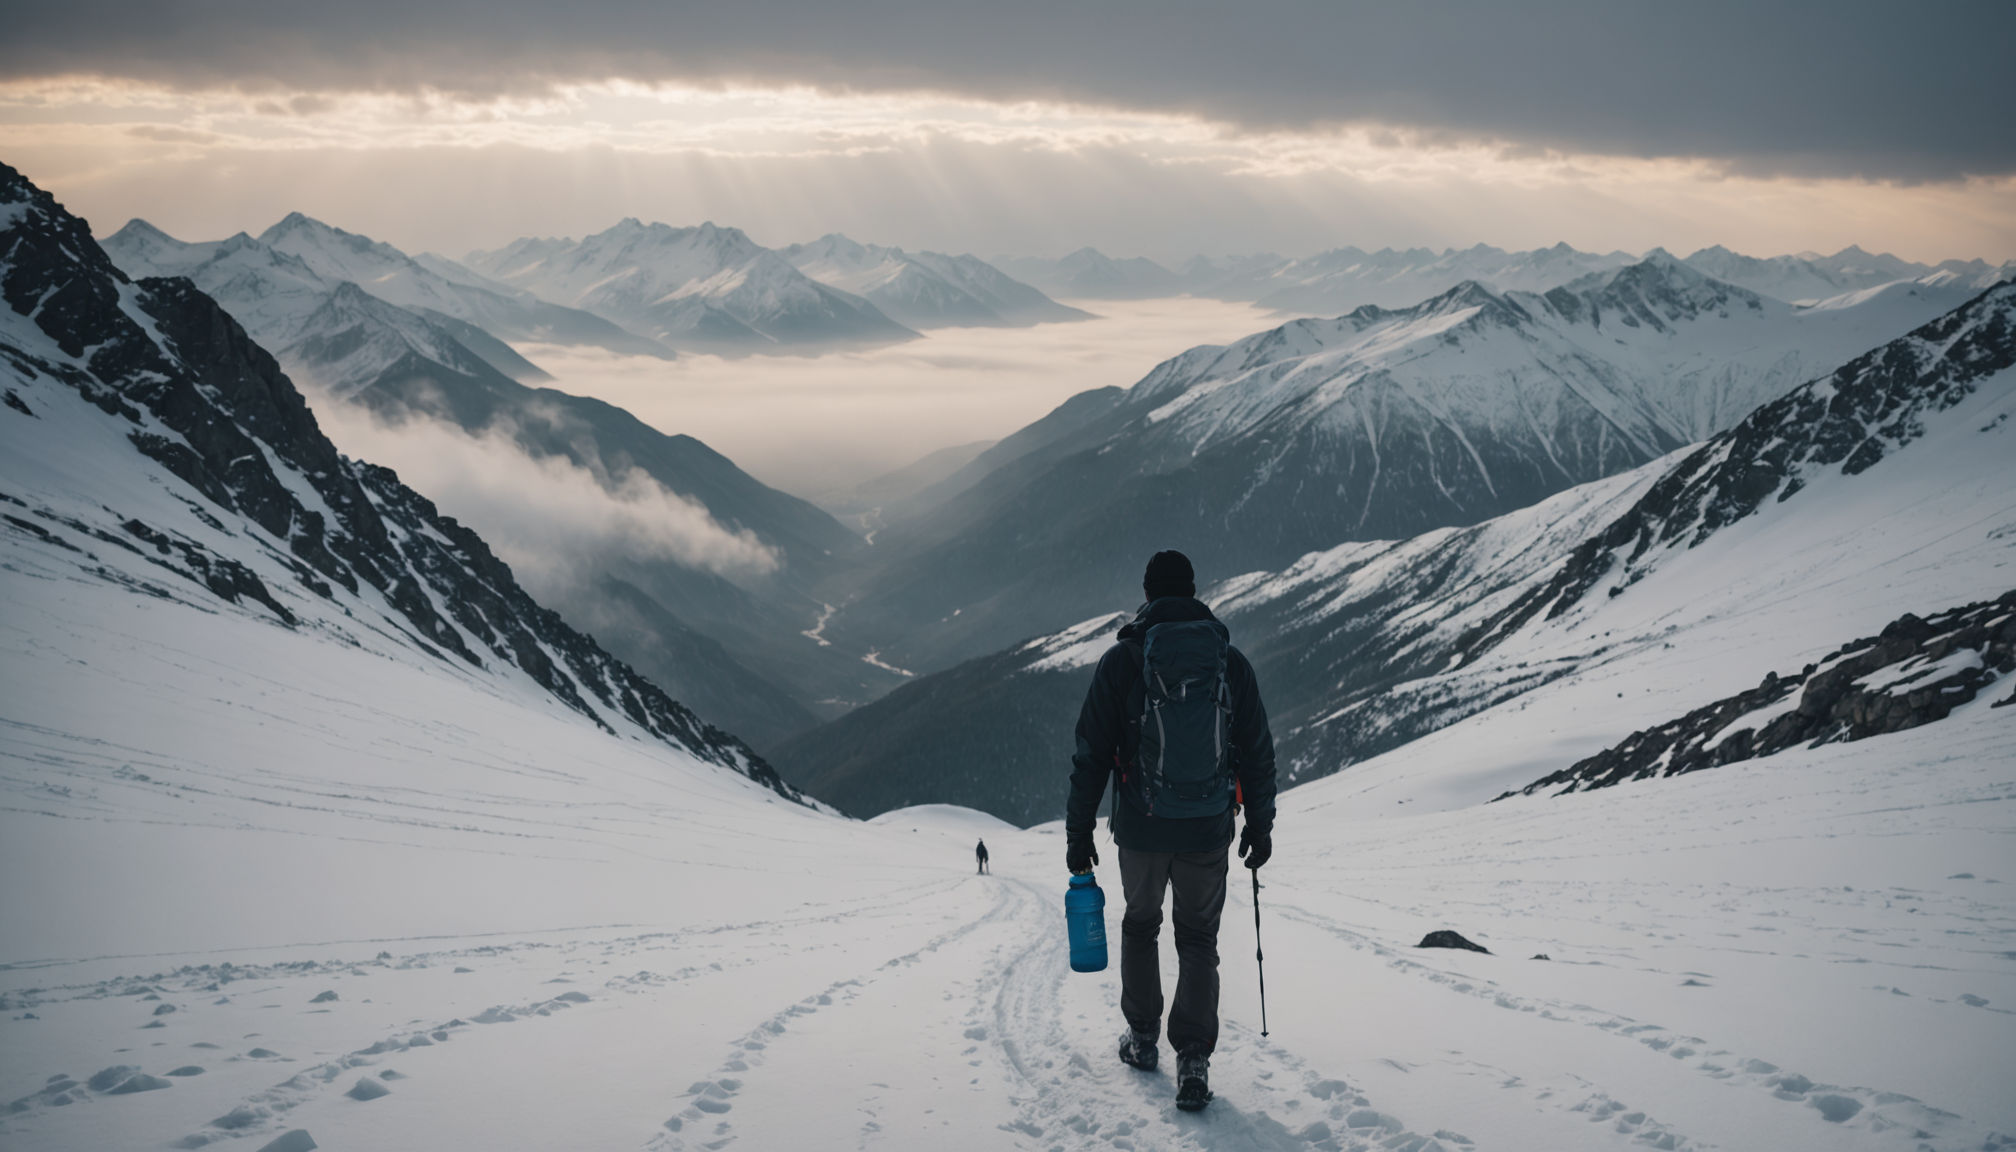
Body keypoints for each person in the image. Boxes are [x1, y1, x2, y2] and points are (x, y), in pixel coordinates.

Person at [1065, 549, 1276, 1113]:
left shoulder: (1123, 662)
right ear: (1192, 589)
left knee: (1140, 927)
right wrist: (1260, 823)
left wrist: (1078, 832)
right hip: (1208, 828)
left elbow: (1090, 755)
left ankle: (1141, 1039)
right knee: (1198, 939)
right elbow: (1256, 751)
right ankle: (1194, 1058)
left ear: (1148, 593)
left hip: (1141, 826)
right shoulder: (1228, 662)